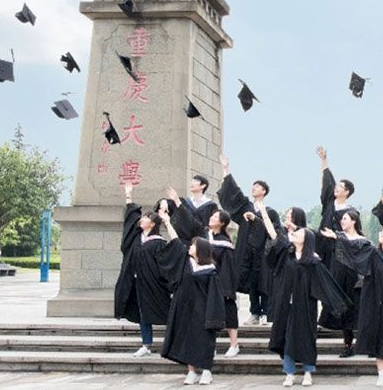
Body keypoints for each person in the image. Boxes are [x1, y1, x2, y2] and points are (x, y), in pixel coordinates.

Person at [262, 202, 351, 387]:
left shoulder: (313, 262)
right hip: (286, 305)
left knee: (306, 338)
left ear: (306, 239)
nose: (294, 234)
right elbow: (273, 235)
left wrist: (338, 304)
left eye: (298, 233)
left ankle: (308, 372)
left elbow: (326, 285)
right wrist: (263, 210)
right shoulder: (287, 255)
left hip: (305, 306)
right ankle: (289, 373)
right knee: (287, 337)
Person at [324, 224, 383, 387]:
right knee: (378, 338)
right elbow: (355, 248)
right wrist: (338, 238)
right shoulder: (374, 255)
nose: (382, 233)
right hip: (376, 304)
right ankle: (381, 374)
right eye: (381, 231)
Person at [157, 217, 231, 385]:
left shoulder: (210, 272)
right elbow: (176, 241)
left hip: (202, 311)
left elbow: (214, 296)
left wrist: (213, 316)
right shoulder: (186, 262)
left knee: (204, 340)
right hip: (185, 309)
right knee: (187, 340)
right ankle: (191, 371)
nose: (190, 247)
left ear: (200, 250)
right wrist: (167, 222)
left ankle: (206, 370)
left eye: (193, 245)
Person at [113, 184, 181, 358]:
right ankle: (146, 345)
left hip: (154, 284)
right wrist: (128, 196)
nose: (140, 220)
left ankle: (177, 341)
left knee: (167, 312)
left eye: (144, 218)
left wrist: (167, 220)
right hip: (137, 283)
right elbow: (131, 216)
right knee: (143, 314)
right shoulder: (136, 238)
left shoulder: (159, 243)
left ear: (152, 223)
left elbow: (173, 255)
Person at [217, 155, 282, 328]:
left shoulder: (270, 212)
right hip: (246, 251)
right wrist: (226, 169)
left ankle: (265, 313)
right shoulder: (246, 206)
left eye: (258, 186)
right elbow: (233, 193)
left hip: (264, 253)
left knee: (264, 281)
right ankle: (255, 312)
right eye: (253, 186)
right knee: (252, 282)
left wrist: (256, 218)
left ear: (264, 191)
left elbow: (275, 233)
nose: (254, 188)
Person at [314, 146, 361, 357]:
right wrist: (324, 162)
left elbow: (357, 237)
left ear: (347, 192)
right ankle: (317, 323)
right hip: (323, 252)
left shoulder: (351, 212)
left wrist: (338, 237)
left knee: (343, 295)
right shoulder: (329, 204)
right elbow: (326, 185)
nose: (335, 188)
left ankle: (348, 343)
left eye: (340, 187)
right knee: (319, 287)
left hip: (341, 258)